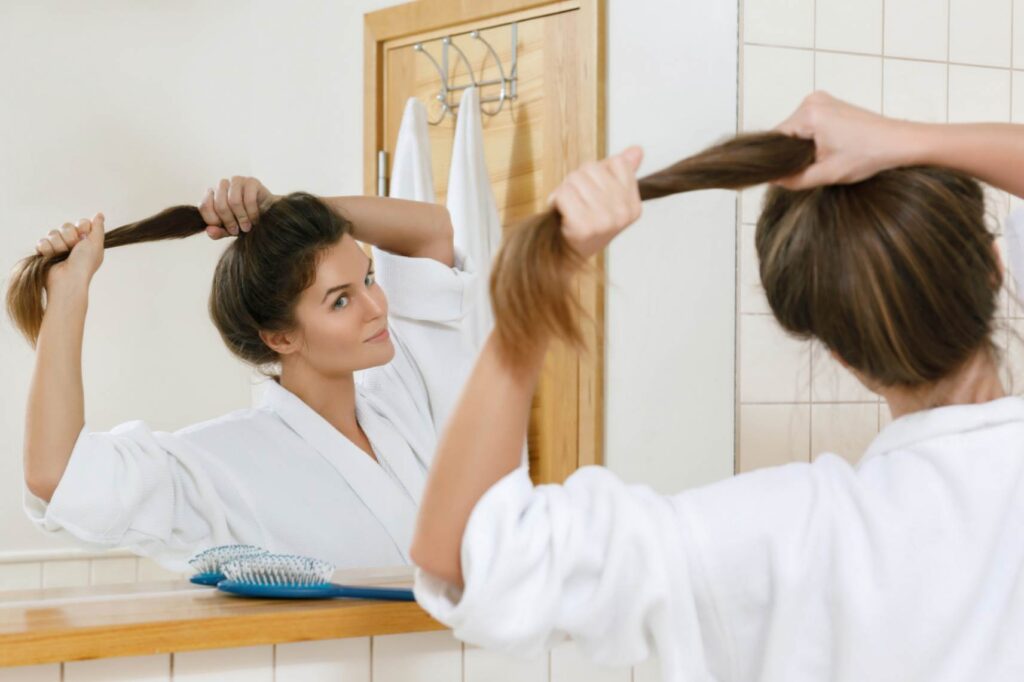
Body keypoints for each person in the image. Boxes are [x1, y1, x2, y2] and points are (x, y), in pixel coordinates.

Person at [409, 91, 1024, 681]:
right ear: (998, 267)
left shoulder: (786, 534)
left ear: (838, 349)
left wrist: (541, 278)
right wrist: (910, 141)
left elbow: (464, 554)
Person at [8, 180, 477, 571]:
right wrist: (69, 295)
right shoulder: (218, 465)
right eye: (340, 300)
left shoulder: (399, 395)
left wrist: (282, 211)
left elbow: (432, 232)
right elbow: (57, 473)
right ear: (280, 338)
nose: (376, 308)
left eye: (369, 280)